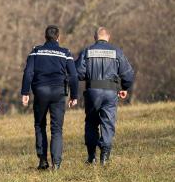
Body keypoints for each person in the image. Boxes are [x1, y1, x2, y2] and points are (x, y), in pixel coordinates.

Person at [21, 25, 78, 170]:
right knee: (57, 128)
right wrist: (74, 95)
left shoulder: (36, 51)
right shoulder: (65, 52)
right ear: (58, 37)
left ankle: (42, 161)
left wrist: (25, 92)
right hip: (59, 92)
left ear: (45, 37)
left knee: (40, 125)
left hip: (40, 91)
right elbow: (73, 75)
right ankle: (57, 164)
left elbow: (28, 73)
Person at [75, 27, 134, 166]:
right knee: (108, 123)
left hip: (92, 91)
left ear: (95, 37)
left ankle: (91, 157)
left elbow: (78, 73)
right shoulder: (116, 52)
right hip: (110, 92)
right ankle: (105, 157)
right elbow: (128, 74)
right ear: (109, 37)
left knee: (91, 123)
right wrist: (124, 87)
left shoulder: (87, 51)